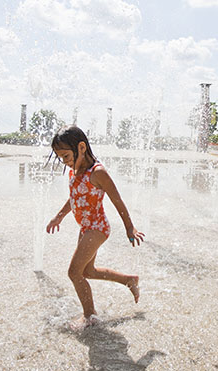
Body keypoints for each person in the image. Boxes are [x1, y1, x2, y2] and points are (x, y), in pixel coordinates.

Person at [46, 125, 144, 330]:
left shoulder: (97, 173)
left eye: (66, 156)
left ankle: (90, 315)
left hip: (97, 228)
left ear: (81, 147)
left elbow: (117, 200)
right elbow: (74, 198)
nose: (65, 161)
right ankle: (129, 280)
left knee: (74, 272)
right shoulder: (75, 170)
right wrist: (59, 217)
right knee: (88, 271)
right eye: (61, 157)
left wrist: (130, 227)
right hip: (86, 228)